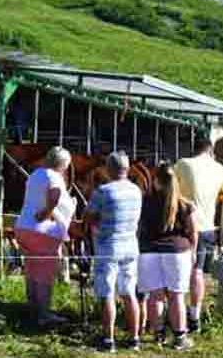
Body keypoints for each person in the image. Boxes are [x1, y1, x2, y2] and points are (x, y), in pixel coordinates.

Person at [173, 137, 223, 332]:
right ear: (210, 151)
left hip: (183, 225)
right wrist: (219, 197)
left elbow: (171, 191)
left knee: (177, 272)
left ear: (194, 149)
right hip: (207, 228)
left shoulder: (183, 164)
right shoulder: (219, 168)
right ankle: (194, 316)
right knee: (198, 272)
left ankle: (175, 315)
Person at [85, 151, 143, 352]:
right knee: (129, 292)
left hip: (108, 246)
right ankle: (134, 338)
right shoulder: (136, 191)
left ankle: (108, 340)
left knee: (108, 293)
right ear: (127, 169)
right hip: (130, 245)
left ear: (109, 169)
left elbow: (89, 217)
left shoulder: (103, 191)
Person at [137, 163, 198, 350]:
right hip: (177, 252)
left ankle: (158, 334)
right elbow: (193, 232)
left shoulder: (145, 201)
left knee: (155, 296)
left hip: (149, 251)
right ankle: (180, 337)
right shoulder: (185, 204)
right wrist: (194, 251)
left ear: (155, 181)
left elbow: (139, 228)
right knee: (176, 296)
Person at [14, 146, 76, 327]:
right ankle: (44, 314)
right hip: (42, 230)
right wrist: (47, 212)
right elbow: (55, 195)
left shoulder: (35, 174)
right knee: (45, 274)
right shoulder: (54, 176)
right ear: (63, 164)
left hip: (23, 227)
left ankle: (32, 307)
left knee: (32, 270)